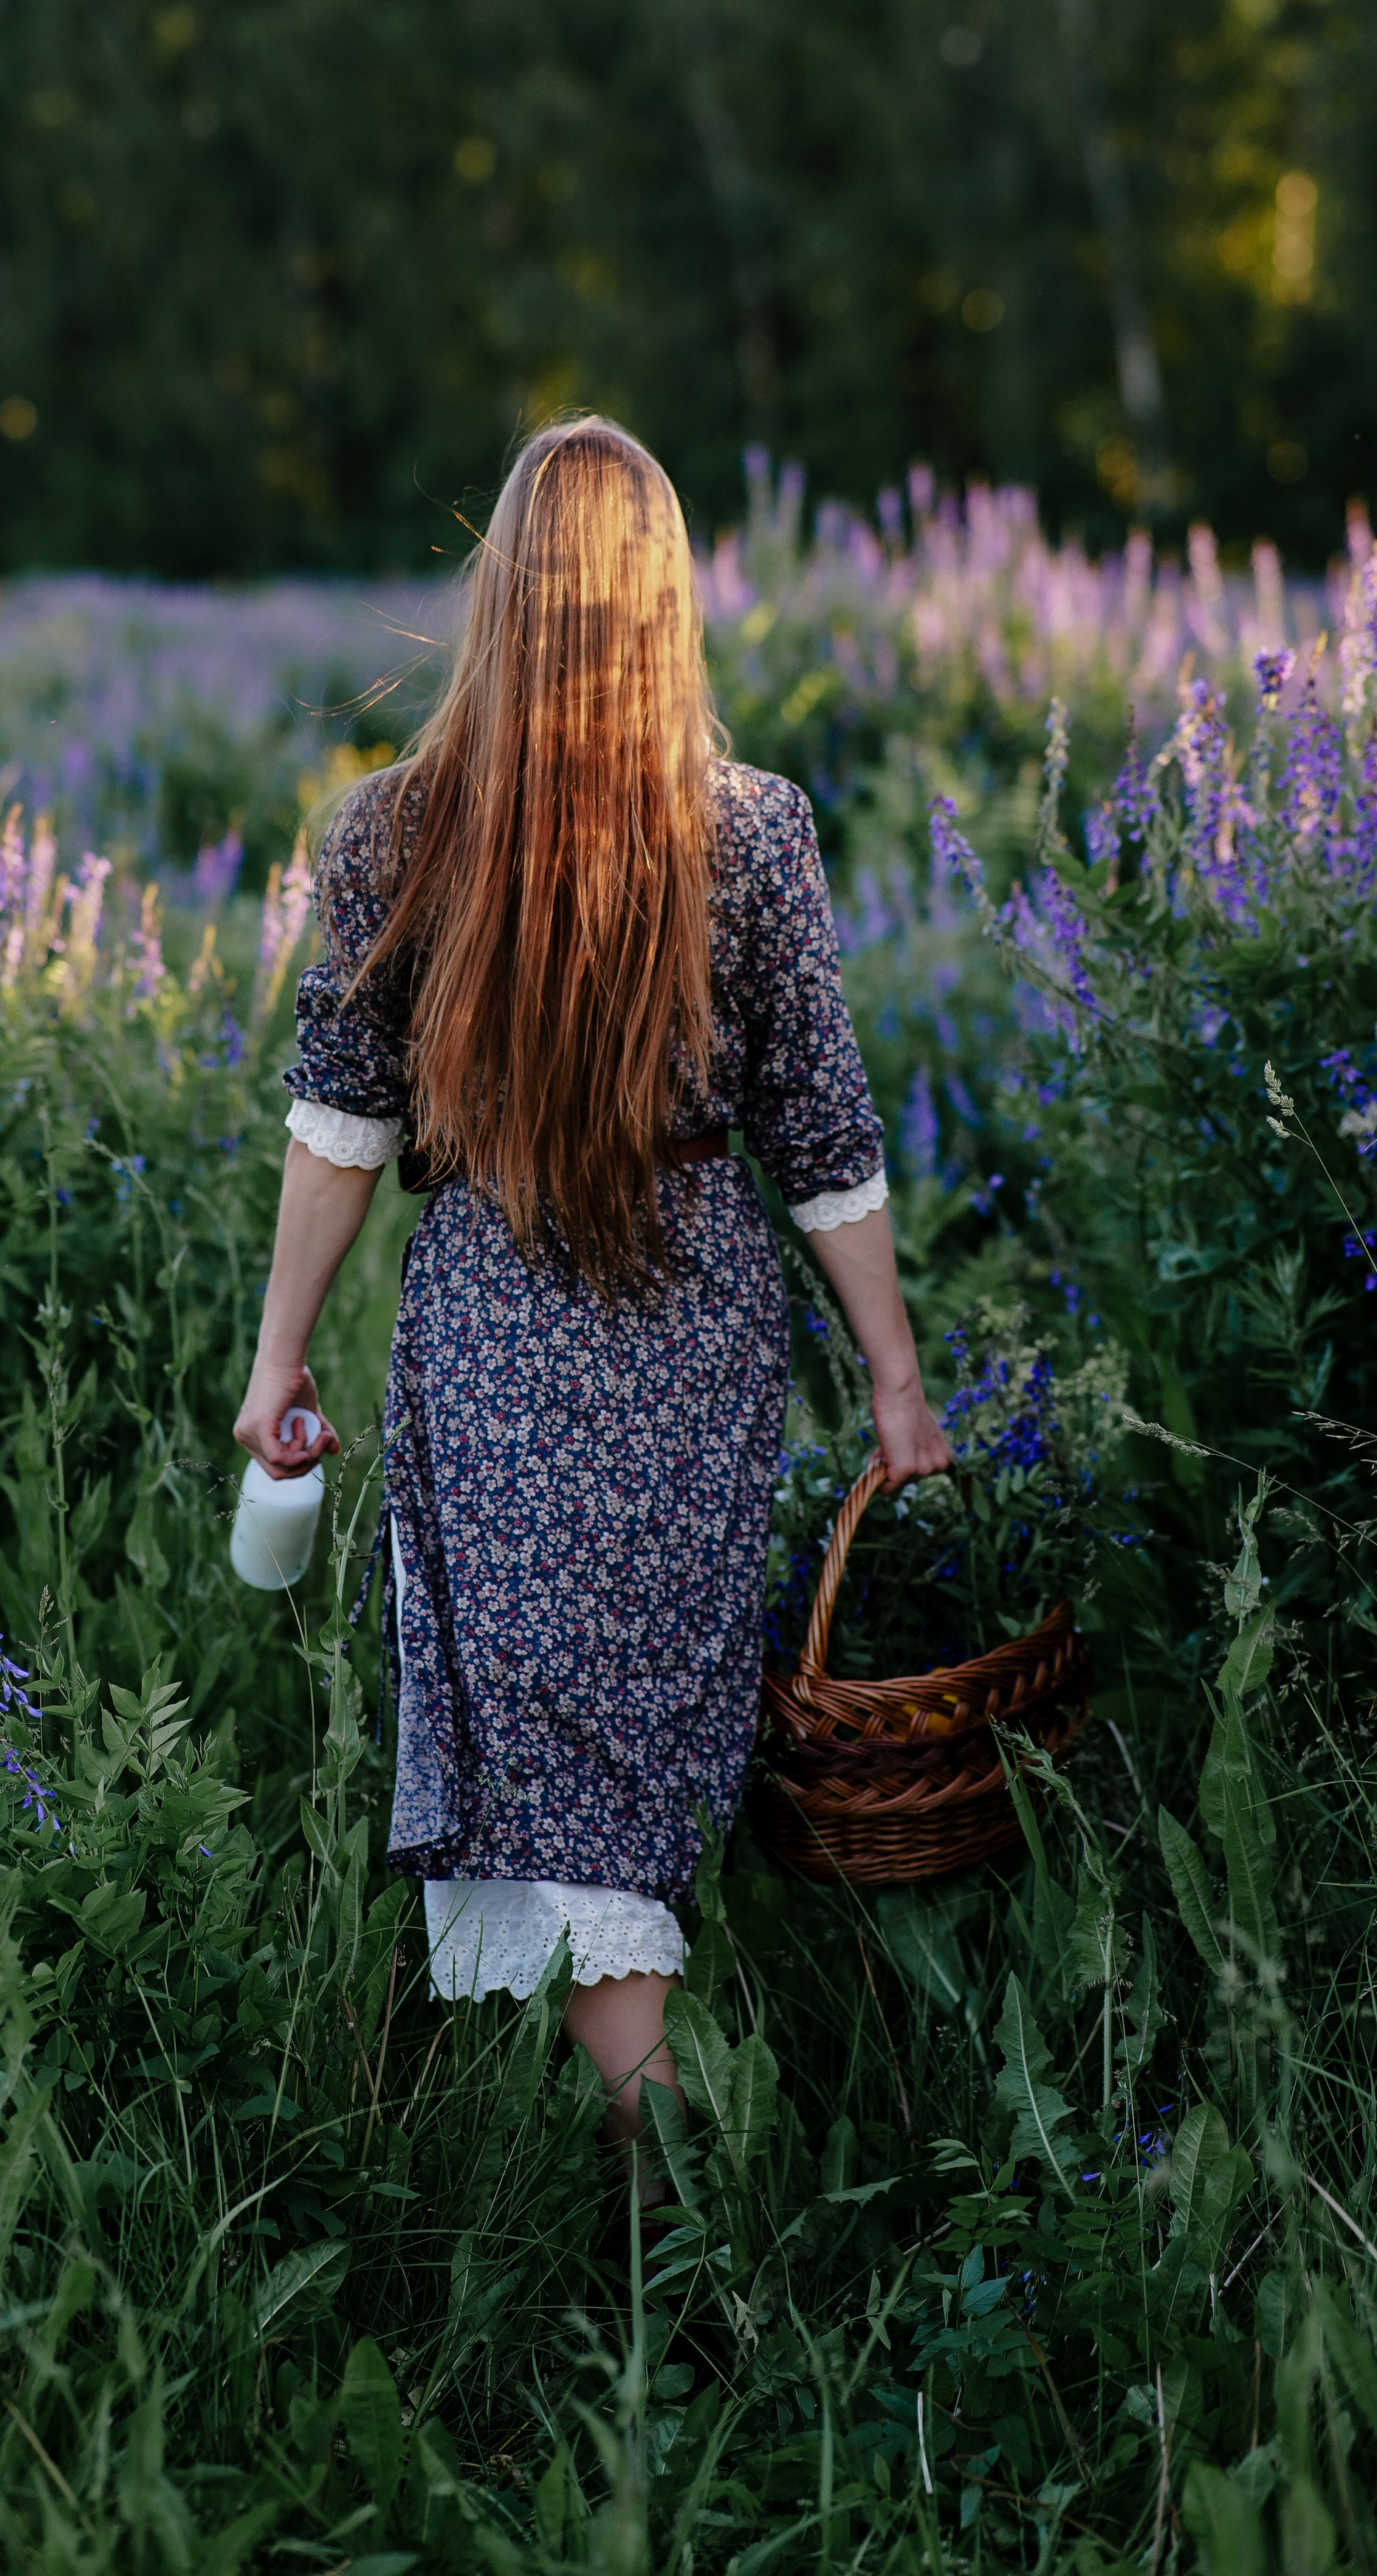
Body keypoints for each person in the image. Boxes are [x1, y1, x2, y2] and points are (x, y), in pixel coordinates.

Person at [233, 417, 951, 2199]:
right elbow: (823, 1138)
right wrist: (892, 1382)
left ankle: (659, 2186)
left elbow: (341, 1126)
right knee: (638, 1735)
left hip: (493, 1337)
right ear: (659, 605)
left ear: (501, 598)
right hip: (697, 1336)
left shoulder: (395, 831)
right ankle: (673, 2180)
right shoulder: (751, 833)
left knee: (564, 1743)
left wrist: (275, 1355)